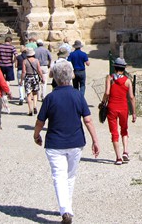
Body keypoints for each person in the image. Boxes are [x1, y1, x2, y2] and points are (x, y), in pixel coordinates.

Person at [33, 59, 100, 224]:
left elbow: (40, 121)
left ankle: (65, 210)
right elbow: (88, 120)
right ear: (71, 76)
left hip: (55, 143)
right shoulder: (78, 95)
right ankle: (67, 209)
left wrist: (36, 135)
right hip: (76, 142)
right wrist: (95, 140)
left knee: (59, 177)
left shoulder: (50, 98)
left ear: (55, 78)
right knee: (70, 176)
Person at [102, 57, 136, 165]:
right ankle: (125, 151)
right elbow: (131, 97)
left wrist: (103, 102)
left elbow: (107, 93)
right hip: (123, 108)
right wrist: (134, 112)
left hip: (112, 107)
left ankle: (118, 157)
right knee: (124, 129)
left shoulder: (109, 78)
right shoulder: (128, 81)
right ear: (124, 68)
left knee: (114, 132)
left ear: (114, 67)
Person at [21, 48, 44, 116]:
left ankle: (30, 109)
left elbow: (24, 72)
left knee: (28, 94)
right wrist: (42, 77)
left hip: (28, 77)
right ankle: (35, 106)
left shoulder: (24, 61)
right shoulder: (36, 61)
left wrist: (21, 80)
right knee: (35, 93)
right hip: (35, 77)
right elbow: (39, 70)